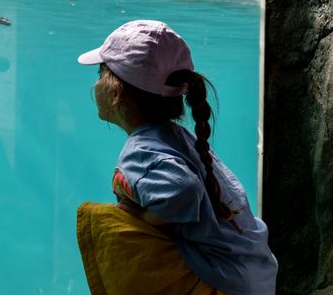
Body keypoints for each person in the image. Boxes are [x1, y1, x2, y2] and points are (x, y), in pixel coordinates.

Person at [75, 20, 278, 295]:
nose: (96, 83)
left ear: (115, 91)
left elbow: (184, 190)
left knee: (100, 219)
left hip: (221, 284)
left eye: (100, 73)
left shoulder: (142, 149)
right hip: (250, 277)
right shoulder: (176, 136)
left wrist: (141, 215)